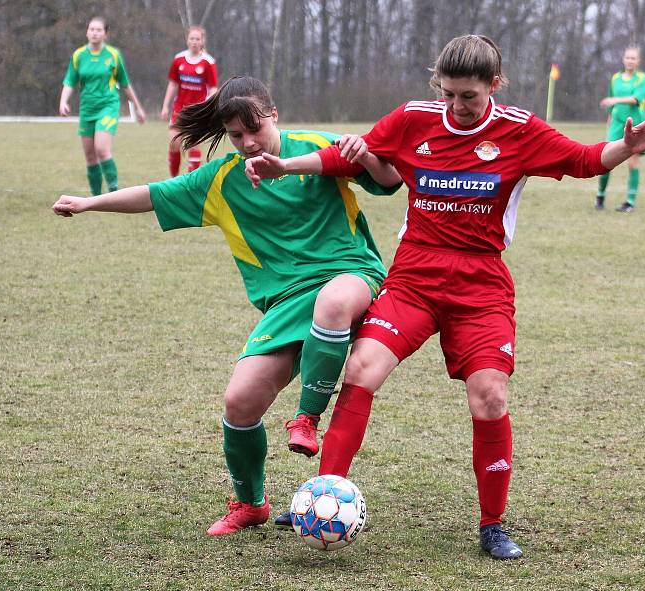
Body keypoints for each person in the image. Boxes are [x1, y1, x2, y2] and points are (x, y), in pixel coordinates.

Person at [246, 35, 645, 560]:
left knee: (489, 395)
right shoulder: (414, 118)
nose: (456, 106)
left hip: (481, 285)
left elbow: (583, 159)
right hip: (414, 277)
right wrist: (285, 166)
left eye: (468, 95)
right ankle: (323, 493)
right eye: (447, 93)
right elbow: (353, 158)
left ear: (494, 85)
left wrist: (626, 148)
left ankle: (492, 523)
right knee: (362, 369)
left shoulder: (519, 130)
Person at [52, 76, 401, 536]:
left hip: (350, 275)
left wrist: (367, 155)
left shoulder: (317, 146)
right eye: (236, 135)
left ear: (273, 114)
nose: (248, 142)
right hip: (287, 302)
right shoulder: (221, 181)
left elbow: (389, 180)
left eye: (255, 129)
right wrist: (88, 202)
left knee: (333, 301)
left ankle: (306, 419)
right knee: (240, 401)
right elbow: (154, 195)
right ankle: (250, 503)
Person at [59, 16, 147, 196]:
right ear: (87, 32)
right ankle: (96, 197)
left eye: (99, 30)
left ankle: (114, 192)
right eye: (91, 29)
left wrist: (138, 107)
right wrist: (63, 101)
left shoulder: (113, 55)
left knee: (101, 149)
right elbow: (70, 81)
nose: (94, 33)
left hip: (108, 107)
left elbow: (125, 83)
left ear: (105, 34)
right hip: (87, 109)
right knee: (90, 156)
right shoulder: (79, 55)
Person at [596, 46, 645, 212]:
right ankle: (600, 196)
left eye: (633, 58)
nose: (630, 61)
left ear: (638, 61)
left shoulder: (642, 78)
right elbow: (611, 103)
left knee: (633, 162)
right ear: (623, 59)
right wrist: (610, 115)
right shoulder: (615, 78)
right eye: (628, 57)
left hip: (635, 123)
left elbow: (636, 99)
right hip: (617, 122)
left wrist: (614, 100)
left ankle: (630, 202)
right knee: (605, 160)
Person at [160, 26, 219, 176]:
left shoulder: (208, 62)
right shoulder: (178, 59)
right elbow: (173, 84)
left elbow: (213, 88)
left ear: (202, 41)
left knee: (194, 146)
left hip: (198, 111)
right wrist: (165, 106)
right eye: (192, 38)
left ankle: (191, 183)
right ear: (187, 40)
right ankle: (174, 180)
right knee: (174, 143)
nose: (194, 42)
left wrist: (209, 104)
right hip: (179, 109)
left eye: (197, 39)